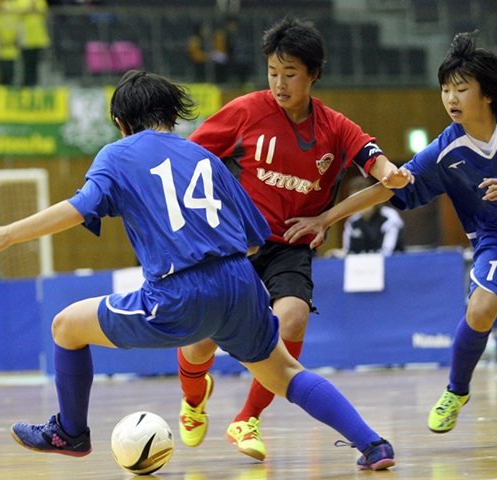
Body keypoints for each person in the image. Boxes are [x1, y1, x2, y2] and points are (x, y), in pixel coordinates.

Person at [0, 69, 395, 471]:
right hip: (241, 283)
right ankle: (373, 444)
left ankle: (70, 432)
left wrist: (9, 232)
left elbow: (79, 208)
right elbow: (253, 239)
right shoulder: (204, 155)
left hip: (180, 290)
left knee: (66, 326)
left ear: (121, 122)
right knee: (286, 373)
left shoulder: (116, 155)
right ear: (173, 116)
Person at [283, 31, 497, 435]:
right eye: (444, 89)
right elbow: (386, 187)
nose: (451, 98)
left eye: (461, 88)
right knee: (480, 308)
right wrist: (326, 219)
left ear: (487, 93)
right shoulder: (444, 150)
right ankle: (457, 391)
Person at [176, 17, 412, 462]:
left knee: (293, 319)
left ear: (314, 74)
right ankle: (192, 400)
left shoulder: (335, 127)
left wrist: (382, 178)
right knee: (200, 343)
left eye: (290, 74)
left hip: (290, 246)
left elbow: (375, 163)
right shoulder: (247, 111)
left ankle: (247, 418)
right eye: (272, 73)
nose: (280, 84)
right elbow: (190, 158)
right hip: (237, 244)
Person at [341, 175, 405, 256]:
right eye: (354, 202)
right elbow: (347, 252)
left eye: (362, 199)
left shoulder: (390, 217)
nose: (359, 205)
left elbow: (387, 253)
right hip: (360, 267)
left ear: (372, 198)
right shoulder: (352, 221)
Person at [17, 0, 50, 87]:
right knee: (26, 62)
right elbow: (18, 13)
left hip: (38, 37)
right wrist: (29, 7)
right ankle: (25, 84)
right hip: (25, 37)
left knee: (36, 62)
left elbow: (44, 12)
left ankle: (35, 83)